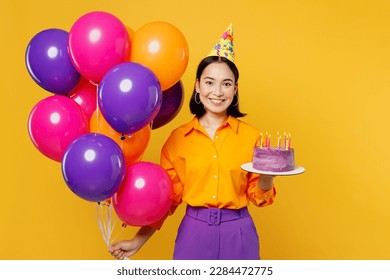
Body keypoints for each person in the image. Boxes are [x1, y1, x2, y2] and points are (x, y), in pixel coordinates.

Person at [109, 24, 277, 260]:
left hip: (238, 233)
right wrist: (138, 241)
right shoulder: (178, 139)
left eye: (226, 84)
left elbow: (260, 197)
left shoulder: (253, 137)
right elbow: (167, 201)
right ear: (198, 86)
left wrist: (269, 175)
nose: (217, 92)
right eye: (209, 82)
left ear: (235, 89)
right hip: (194, 233)